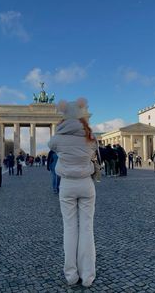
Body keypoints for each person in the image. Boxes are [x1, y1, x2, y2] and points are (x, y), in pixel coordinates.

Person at [48, 98, 97, 288]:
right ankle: (88, 276)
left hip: (67, 185)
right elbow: (94, 153)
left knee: (69, 229)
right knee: (87, 229)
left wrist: (61, 127)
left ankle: (70, 275)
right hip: (86, 184)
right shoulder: (90, 137)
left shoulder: (58, 138)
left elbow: (51, 144)